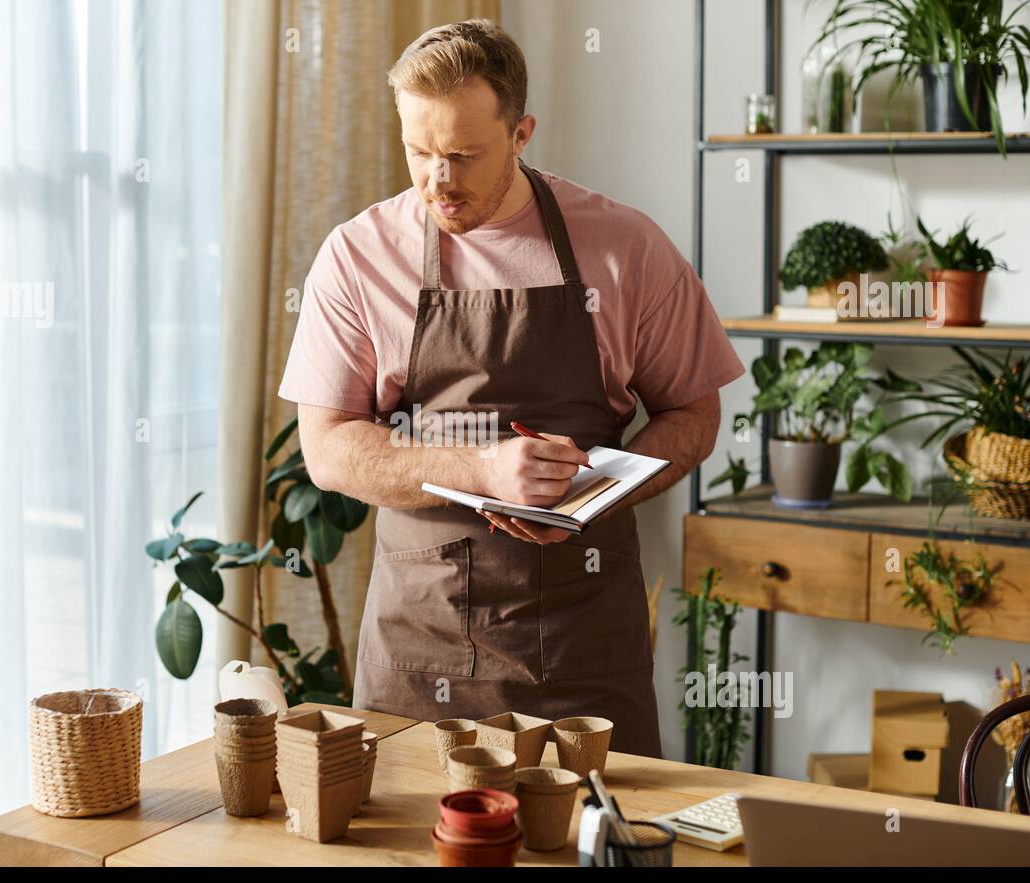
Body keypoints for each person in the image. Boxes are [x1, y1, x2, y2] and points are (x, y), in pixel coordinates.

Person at [277, 19, 744, 757]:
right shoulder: (359, 256)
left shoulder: (624, 248)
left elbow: (694, 412)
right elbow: (329, 450)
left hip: (587, 656)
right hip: (419, 654)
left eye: (463, 155)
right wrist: (483, 470)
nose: (438, 180)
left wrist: (596, 489)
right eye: (419, 151)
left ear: (522, 132)